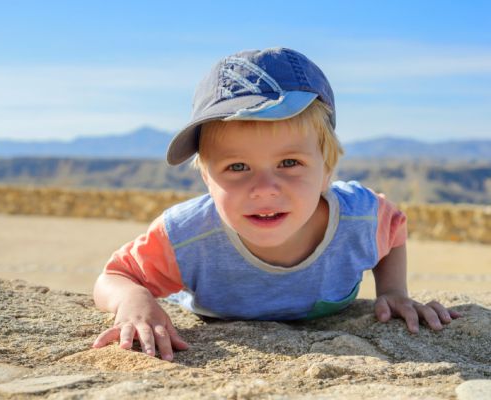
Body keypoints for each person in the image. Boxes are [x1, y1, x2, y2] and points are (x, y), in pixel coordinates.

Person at [92, 47, 461, 361]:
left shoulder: (358, 218)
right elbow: (114, 276)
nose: (265, 189)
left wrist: (393, 291)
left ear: (327, 169)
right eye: (237, 167)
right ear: (206, 177)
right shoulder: (186, 236)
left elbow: (394, 226)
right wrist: (134, 301)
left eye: (289, 163)